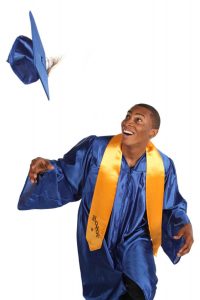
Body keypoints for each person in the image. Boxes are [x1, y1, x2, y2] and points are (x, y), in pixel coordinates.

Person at [18, 103, 193, 300]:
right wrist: (49, 169)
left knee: (142, 285)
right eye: (128, 116)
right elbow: (68, 175)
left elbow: (169, 206)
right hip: (97, 231)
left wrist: (183, 224)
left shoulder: (163, 166)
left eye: (138, 120)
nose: (128, 122)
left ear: (152, 132)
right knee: (106, 291)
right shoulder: (97, 149)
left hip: (135, 235)